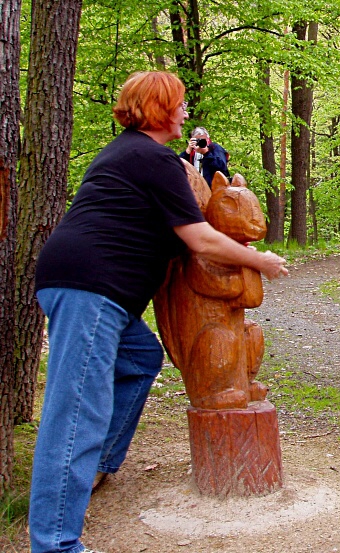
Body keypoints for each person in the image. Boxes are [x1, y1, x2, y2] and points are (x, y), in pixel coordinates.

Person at [29, 71, 288, 553]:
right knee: (74, 414)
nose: (187, 113)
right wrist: (260, 260)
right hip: (90, 287)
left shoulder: (127, 152)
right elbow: (200, 238)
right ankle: (56, 543)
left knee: (140, 359)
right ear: (159, 108)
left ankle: (98, 464)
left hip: (91, 287)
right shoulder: (153, 160)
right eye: (181, 104)